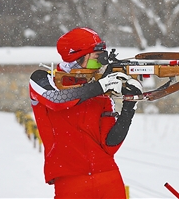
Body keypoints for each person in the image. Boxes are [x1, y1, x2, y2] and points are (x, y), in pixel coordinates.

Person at [29, 27, 142, 198]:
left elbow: (109, 145)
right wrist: (101, 86)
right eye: (97, 58)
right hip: (70, 182)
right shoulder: (43, 80)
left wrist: (129, 105)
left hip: (109, 178)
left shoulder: (99, 90)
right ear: (77, 56)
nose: (100, 65)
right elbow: (57, 100)